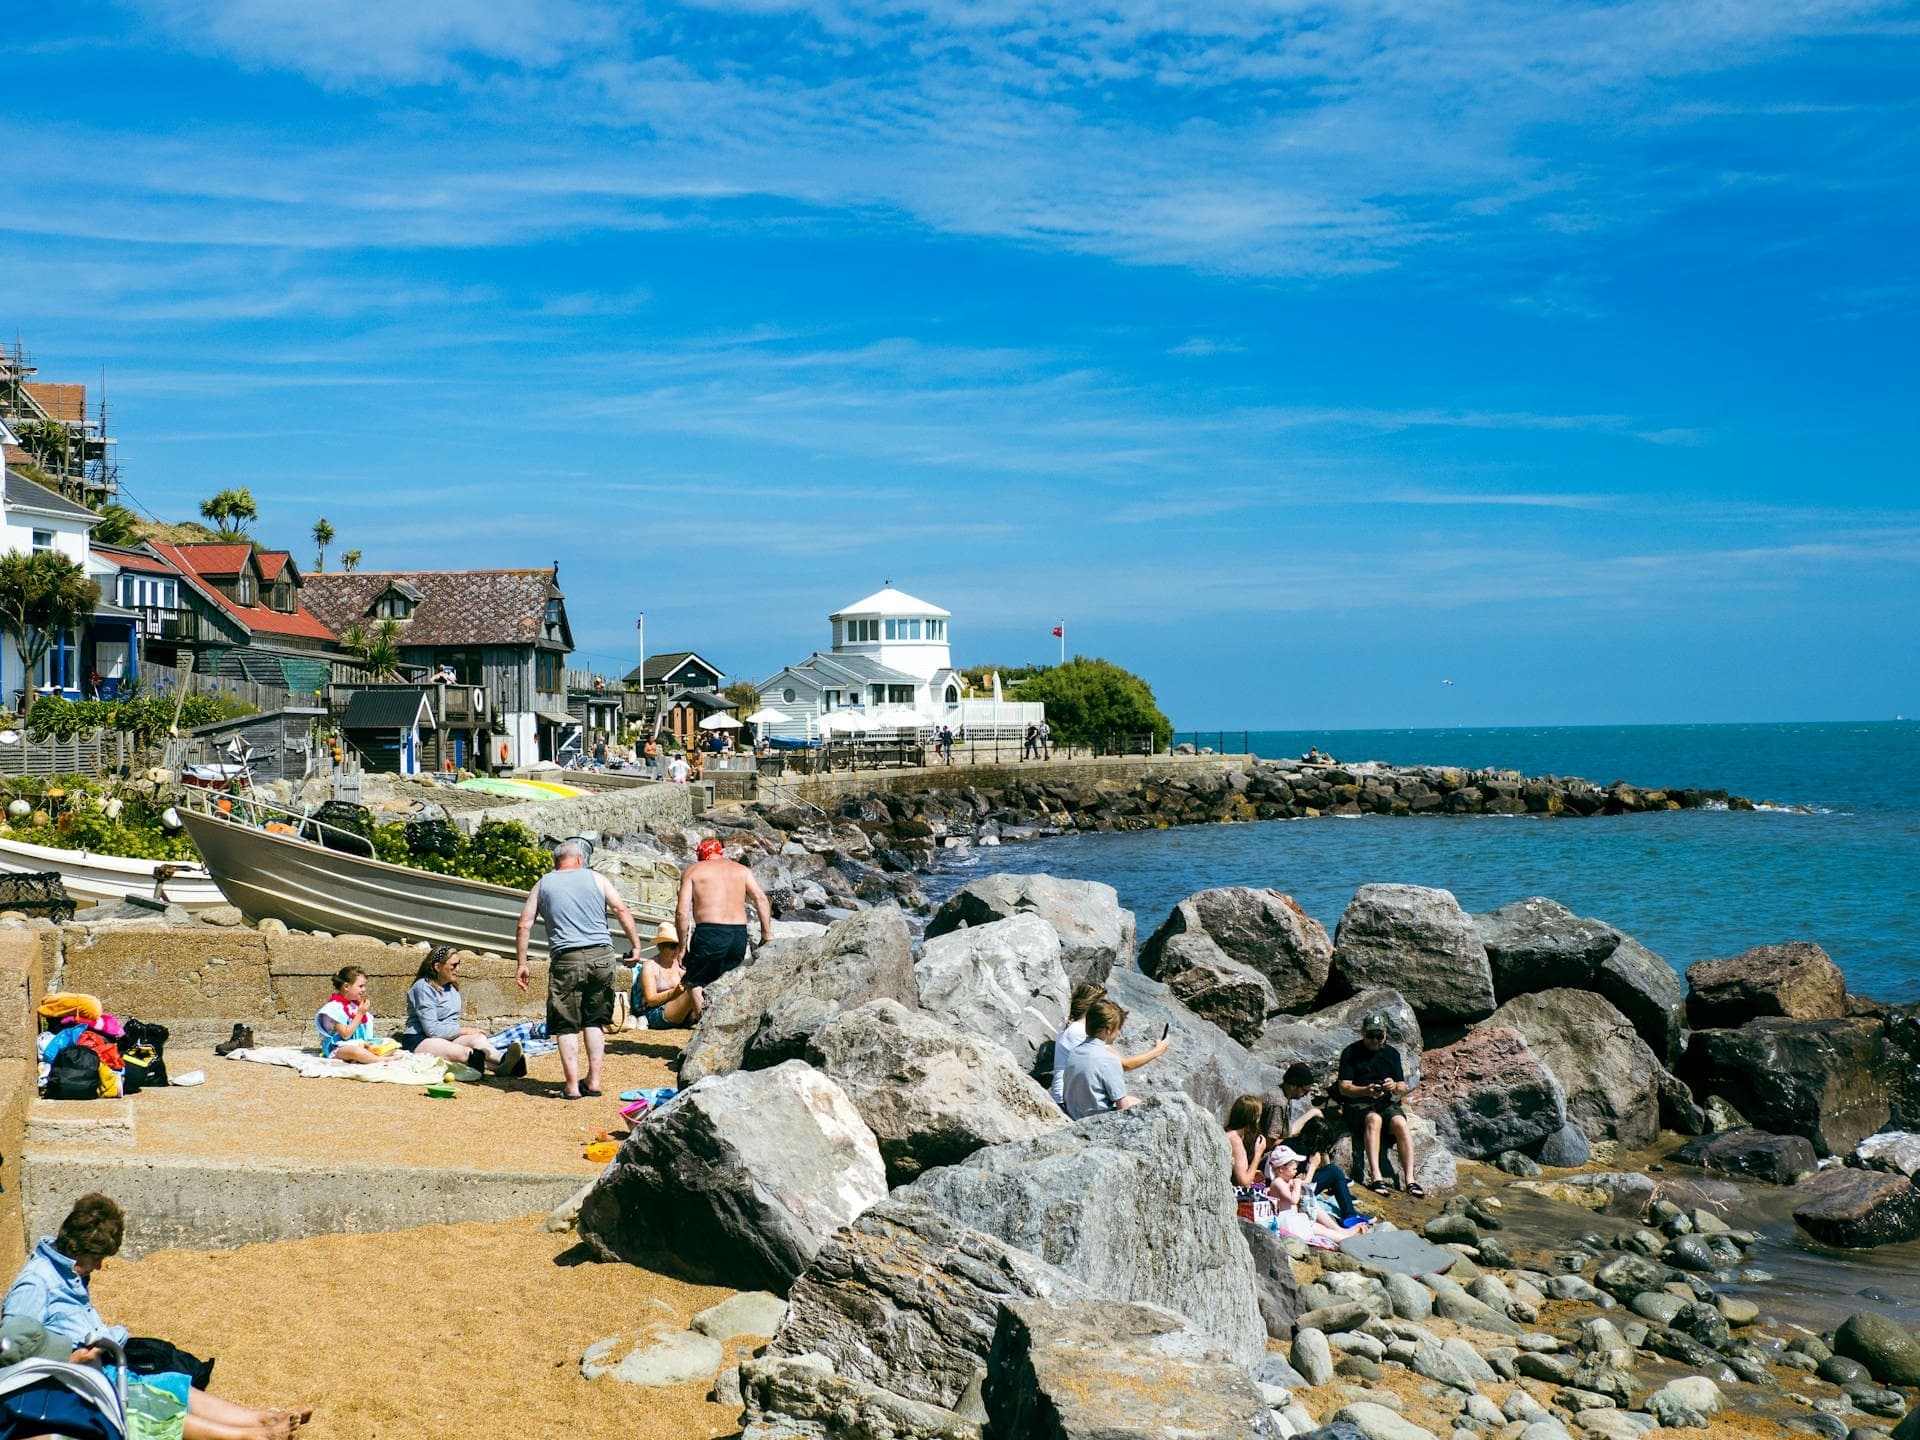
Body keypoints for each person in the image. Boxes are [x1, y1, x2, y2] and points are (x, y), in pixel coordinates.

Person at [4, 1194, 312, 1439]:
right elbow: (9, 1351)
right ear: (76, 1247)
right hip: (75, 1381)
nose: (98, 1267)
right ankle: (251, 1436)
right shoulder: (36, 1283)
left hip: (101, 1364)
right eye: (96, 1259)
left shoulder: (67, 1272)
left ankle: (260, 1418)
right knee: (154, 1405)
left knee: (173, 1383)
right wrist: (71, 1362)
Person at [515, 839, 642, 1101]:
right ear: (580, 859)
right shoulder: (597, 878)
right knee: (594, 1021)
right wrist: (636, 945)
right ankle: (593, 1082)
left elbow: (524, 925)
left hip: (566, 958)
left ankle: (572, 1086)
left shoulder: (544, 883)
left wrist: (522, 963)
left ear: (556, 861)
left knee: (566, 1024)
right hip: (602, 955)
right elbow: (620, 909)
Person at [1264, 1066, 1368, 1226]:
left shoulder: (1281, 1097)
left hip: (1282, 1154)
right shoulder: (1278, 1103)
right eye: (1304, 1090)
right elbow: (1271, 1141)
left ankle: (1343, 1195)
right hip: (1280, 1166)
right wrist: (1313, 1165)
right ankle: (1349, 1213)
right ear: (1293, 1086)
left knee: (1316, 1114)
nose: (1305, 1094)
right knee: (1334, 1172)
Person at [400, 946, 526, 1077]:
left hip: (447, 1038)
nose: (458, 970)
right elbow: (432, 1030)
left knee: (478, 1038)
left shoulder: (451, 988)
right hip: (420, 1039)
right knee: (465, 1053)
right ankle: (504, 1067)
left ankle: (503, 1059)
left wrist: (466, 1034)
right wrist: (463, 1030)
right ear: (437, 967)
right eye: (453, 965)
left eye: (458, 964)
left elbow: (451, 1023)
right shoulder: (423, 987)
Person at [1336, 1011, 1423, 1198]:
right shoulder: (1351, 1053)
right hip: (1359, 1104)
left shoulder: (1391, 1053)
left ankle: (1410, 1179)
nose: (1375, 1040)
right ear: (1363, 1033)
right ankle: (1376, 1176)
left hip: (1385, 1102)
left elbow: (1402, 1086)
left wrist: (1394, 1086)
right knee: (1374, 1119)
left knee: (1400, 1123)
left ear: (1384, 1035)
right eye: (1371, 1036)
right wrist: (1365, 1090)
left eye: (1379, 1036)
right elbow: (1344, 1087)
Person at [1047, 981, 1170, 1108]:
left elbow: (1114, 1056)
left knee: (1132, 1100)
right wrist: (1157, 1051)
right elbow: (1124, 1064)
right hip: (1066, 1100)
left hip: (1075, 1094)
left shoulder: (1080, 1027)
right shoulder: (1078, 1032)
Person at [677, 837, 774, 990]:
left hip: (710, 933)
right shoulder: (742, 870)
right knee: (726, 985)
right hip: (739, 936)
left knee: (695, 983)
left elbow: (682, 912)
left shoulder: (693, 871)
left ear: (701, 853)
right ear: (720, 851)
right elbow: (761, 898)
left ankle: (703, 1014)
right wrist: (766, 934)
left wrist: (682, 947)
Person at [1264, 1145, 1366, 1242]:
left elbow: (1302, 1186)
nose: (1296, 1171)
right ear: (1281, 1169)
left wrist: (1300, 1183)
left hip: (1294, 1218)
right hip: (1288, 1222)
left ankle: (1343, 1233)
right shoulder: (1278, 1183)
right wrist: (1297, 1185)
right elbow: (1293, 1200)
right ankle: (1343, 1239)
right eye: (1294, 1169)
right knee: (1321, 1230)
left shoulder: (1285, 1181)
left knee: (1319, 1226)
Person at [1060, 998, 1140, 1120]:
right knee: (1138, 1104)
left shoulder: (1074, 1052)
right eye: (1118, 1028)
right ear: (1108, 1030)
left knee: (1132, 1099)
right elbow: (1122, 1105)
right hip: (1097, 1121)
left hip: (1073, 1114)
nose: (1119, 1033)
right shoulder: (1108, 1060)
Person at [633, 920, 703, 1028]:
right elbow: (650, 1000)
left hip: (678, 1011)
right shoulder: (650, 966)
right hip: (655, 1013)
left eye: (679, 945)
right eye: (672, 946)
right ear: (661, 947)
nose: (677, 950)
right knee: (692, 990)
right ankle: (702, 1021)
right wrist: (673, 993)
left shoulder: (679, 964)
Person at [314, 965, 381, 1064]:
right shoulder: (334, 1008)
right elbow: (345, 1035)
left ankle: (365, 1056)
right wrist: (360, 1013)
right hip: (338, 1047)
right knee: (355, 1051)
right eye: (360, 986)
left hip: (357, 1043)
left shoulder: (353, 1005)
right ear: (346, 986)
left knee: (389, 1043)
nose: (364, 990)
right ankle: (381, 1060)